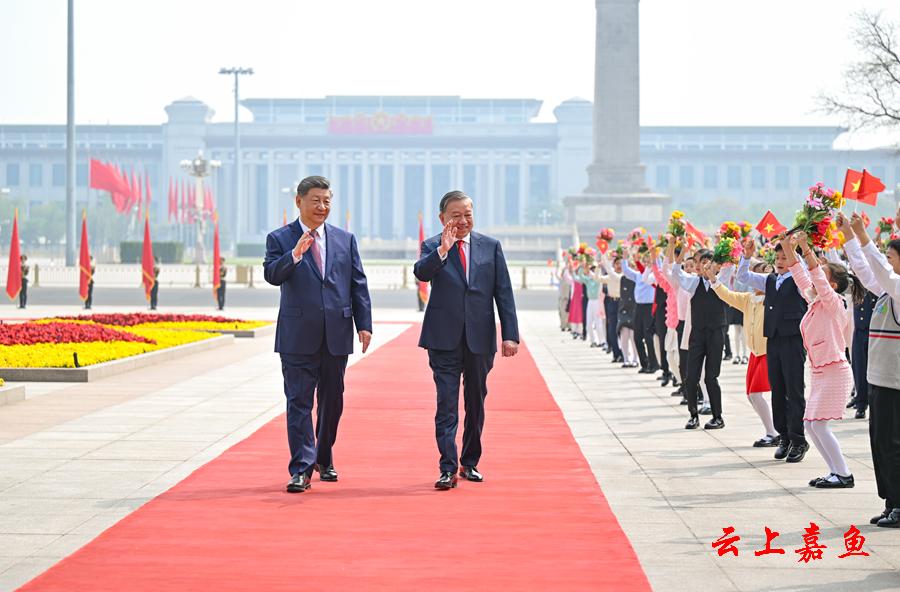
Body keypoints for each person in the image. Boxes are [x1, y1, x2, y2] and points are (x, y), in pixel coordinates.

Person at [263, 175, 373, 493]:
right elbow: (272, 274)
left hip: (336, 333)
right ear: (299, 201)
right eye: (315, 201)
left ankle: (323, 457)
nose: (322, 207)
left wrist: (364, 324)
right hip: (297, 336)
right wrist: (294, 254)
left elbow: (357, 283)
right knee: (298, 402)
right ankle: (301, 468)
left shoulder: (344, 239)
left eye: (327, 201)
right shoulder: (280, 238)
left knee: (332, 402)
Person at [414, 190, 519, 490]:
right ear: (442, 218)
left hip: (480, 338)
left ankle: (469, 462)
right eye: (455, 215)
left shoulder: (491, 247)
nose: (462, 221)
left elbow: (503, 292)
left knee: (476, 402)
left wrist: (510, 335)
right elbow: (421, 273)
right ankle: (447, 468)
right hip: (443, 339)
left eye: (467, 214)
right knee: (446, 404)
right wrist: (443, 250)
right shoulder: (432, 245)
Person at [781, 231, 859, 489]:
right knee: (811, 425)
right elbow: (800, 274)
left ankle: (844, 474)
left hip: (835, 371)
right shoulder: (815, 302)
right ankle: (834, 472)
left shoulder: (834, 302)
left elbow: (815, 277)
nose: (815, 278)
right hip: (820, 372)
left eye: (822, 276)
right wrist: (787, 247)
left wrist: (805, 247)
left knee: (819, 426)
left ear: (832, 286)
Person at [840, 212, 900, 526]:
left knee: (893, 444)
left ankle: (899, 504)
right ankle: (891, 502)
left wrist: (863, 235)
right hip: (879, 378)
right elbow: (865, 271)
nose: (887, 261)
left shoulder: (898, 288)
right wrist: (849, 236)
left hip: (894, 381)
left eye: (892, 256)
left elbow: (880, 269)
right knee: (881, 443)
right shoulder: (888, 290)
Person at [739, 236, 810, 463]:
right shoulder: (770, 280)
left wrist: (794, 249)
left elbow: (804, 274)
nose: (780, 262)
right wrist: (746, 257)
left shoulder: (799, 280)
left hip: (793, 340)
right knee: (777, 390)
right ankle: (784, 436)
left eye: (785, 257)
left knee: (794, 390)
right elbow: (743, 277)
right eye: (777, 257)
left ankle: (798, 440)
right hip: (773, 340)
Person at [712, 260, 778, 447]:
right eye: (755, 277)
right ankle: (773, 431)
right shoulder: (749, 298)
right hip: (755, 353)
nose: (758, 281)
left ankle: (774, 433)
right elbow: (727, 295)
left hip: (769, 351)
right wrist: (712, 279)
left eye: (763, 277)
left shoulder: (775, 299)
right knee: (751, 395)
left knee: (756, 394)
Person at [671, 248, 728, 430]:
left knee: (711, 377)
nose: (704, 266)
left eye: (708, 263)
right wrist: (680, 253)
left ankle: (717, 417)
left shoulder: (721, 281)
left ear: (716, 266)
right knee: (691, 377)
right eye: (700, 263)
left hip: (716, 333)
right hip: (697, 334)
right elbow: (676, 273)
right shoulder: (694, 282)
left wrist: (726, 244)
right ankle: (693, 415)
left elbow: (731, 266)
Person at [621, 250, 659, 374]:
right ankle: (644, 363)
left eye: (649, 261)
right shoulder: (638, 275)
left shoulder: (654, 275)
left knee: (648, 336)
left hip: (649, 307)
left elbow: (658, 266)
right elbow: (626, 271)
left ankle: (654, 364)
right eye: (645, 261)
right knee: (637, 336)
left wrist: (654, 258)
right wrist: (624, 258)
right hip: (638, 307)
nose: (647, 263)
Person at [574, 261, 605, 348]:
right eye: (592, 269)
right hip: (590, 302)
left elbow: (598, 275)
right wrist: (581, 267)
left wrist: (597, 268)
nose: (593, 270)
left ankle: (602, 341)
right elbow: (580, 276)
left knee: (598, 323)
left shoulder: (598, 280)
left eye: (594, 269)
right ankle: (593, 341)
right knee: (588, 323)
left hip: (597, 302)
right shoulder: (588, 280)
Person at [555, 258, 572, 332]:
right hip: (562, 297)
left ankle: (569, 325)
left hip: (568, 297)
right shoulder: (562, 278)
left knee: (568, 312)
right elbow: (557, 275)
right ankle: (563, 325)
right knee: (561, 312)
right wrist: (557, 267)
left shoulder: (571, 277)